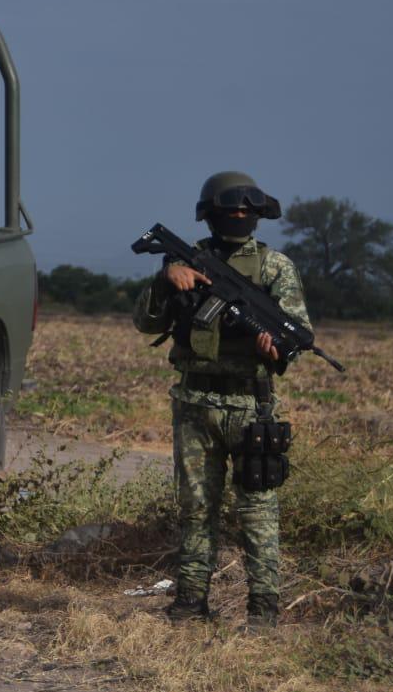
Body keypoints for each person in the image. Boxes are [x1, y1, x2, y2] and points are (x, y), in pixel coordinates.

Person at [132, 172, 310, 629]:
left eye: (245, 211)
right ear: (210, 213)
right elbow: (146, 323)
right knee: (195, 506)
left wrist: (273, 347)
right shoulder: (187, 262)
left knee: (258, 510)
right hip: (194, 402)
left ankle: (263, 608)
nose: (238, 217)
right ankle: (191, 601)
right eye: (230, 209)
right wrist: (165, 279)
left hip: (253, 407)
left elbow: (295, 330)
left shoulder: (274, 268)